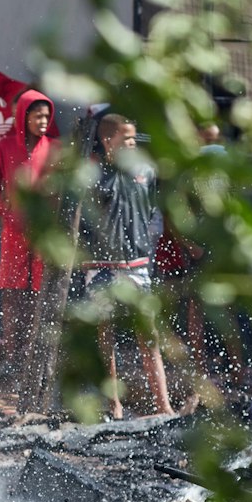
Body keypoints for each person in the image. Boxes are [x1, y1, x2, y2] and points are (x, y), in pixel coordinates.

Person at [80, 113, 174, 419]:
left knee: (148, 334)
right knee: (105, 335)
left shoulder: (145, 170)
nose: (133, 143)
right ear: (108, 141)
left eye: (135, 138)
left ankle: (164, 405)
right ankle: (114, 406)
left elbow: (149, 211)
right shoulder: (93, 174)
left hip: (136, 263)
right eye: (127, 138)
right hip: (101, 264)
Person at [0, 90, 56, 370]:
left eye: (47, 116)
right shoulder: (5, 147)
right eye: (37, 115)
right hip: (13, 233)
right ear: (24, 116)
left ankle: (36, 356)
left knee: (40, 291)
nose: (43, 121)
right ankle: (13, 353)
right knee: (13, 294)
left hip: (44, 234)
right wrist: (6, 212)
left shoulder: (54, 149)